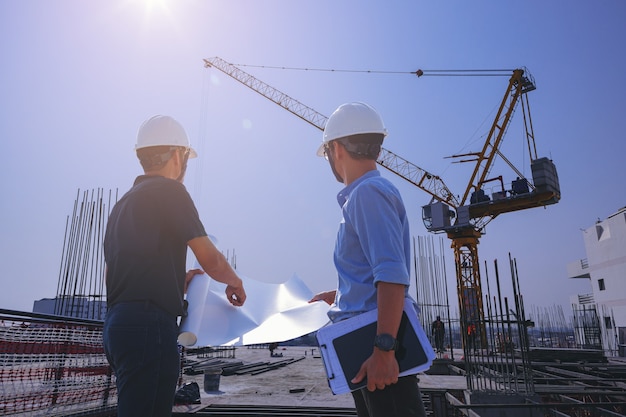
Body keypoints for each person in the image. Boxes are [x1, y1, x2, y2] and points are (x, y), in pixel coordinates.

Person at [103, 115, 247, 417]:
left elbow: (128, 271)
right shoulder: (170, 192)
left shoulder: (124, 204)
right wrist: (235, 281)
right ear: (178, 155)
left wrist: (176, 280)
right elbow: (210, 258)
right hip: (149, 326)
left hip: (118, 324)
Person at [309, 102, 427, 417]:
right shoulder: (367, 194)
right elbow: (377, 274)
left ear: (335, 149)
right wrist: (340, 296)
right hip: (370, 347)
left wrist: (384, 350)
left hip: (378, 351)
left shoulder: (367, 194)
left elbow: (391, 275)